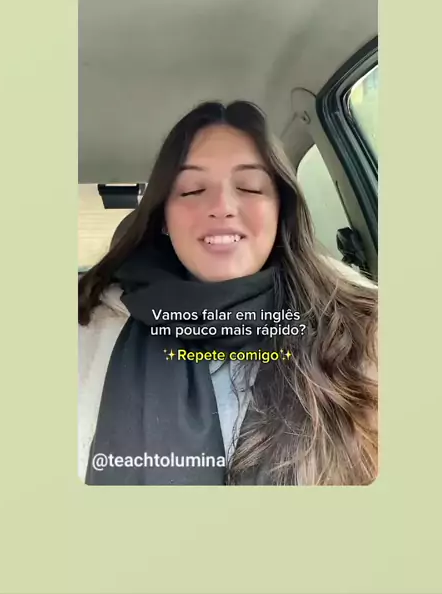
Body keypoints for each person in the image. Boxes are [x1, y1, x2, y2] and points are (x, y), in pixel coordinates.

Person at [78, 100, 377, 486]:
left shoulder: (364, 329)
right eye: (192, 190)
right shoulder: (88, 328)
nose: (221, 207)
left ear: (281, 210)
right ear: (163, 219)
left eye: (250, 187)